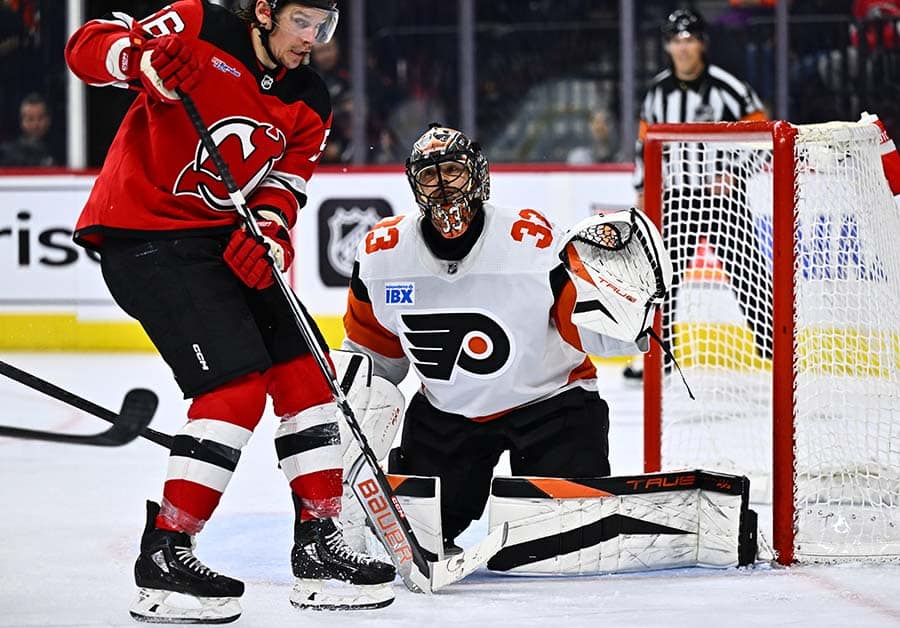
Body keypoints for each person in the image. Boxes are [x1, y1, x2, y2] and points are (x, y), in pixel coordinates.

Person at [65, 0, 394, 621]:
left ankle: (319, 546)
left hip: (221, 237)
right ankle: (166, 553)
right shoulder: (196, 22)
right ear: (265, 11)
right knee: (235, 389)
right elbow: (85, 46)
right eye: (304, 22)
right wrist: (138, 61)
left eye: (325, 27)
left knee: (308, 374)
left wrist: (268, 228)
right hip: (145, 237)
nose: (314, 39)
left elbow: (285, 184)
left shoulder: (309, 98)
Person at [341, 124, 647, 555]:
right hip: (449, 417)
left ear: (479, 175)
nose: (443, 186)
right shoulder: (382, 256)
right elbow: (373, 364)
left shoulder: (532, 241)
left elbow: (582, 327)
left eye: (453, 170)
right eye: (430, 175)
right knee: (420, 535)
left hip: (552, 406)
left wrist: (629, 325)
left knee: (561, 542)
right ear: (414, 185)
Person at [624, 7, 770, 381]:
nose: (683, 47)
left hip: (725, 202)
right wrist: (642, 189)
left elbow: (764, 138)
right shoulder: (657, 92)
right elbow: (645, 145)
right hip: (677, 200)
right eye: (676, 40)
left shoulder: (729, 87)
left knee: (749, 277)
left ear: (702, 43)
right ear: (667, 46)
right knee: (661, 281)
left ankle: (775, 351)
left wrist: (735, 171)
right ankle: (659, 355)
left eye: (689, 39)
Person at [0, 92, 56, 167]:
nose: (36, 124)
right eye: (30, 119)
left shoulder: (67, 149)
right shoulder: (9, 154)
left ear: (48, 119)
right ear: (22, 122)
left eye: (40, 118)